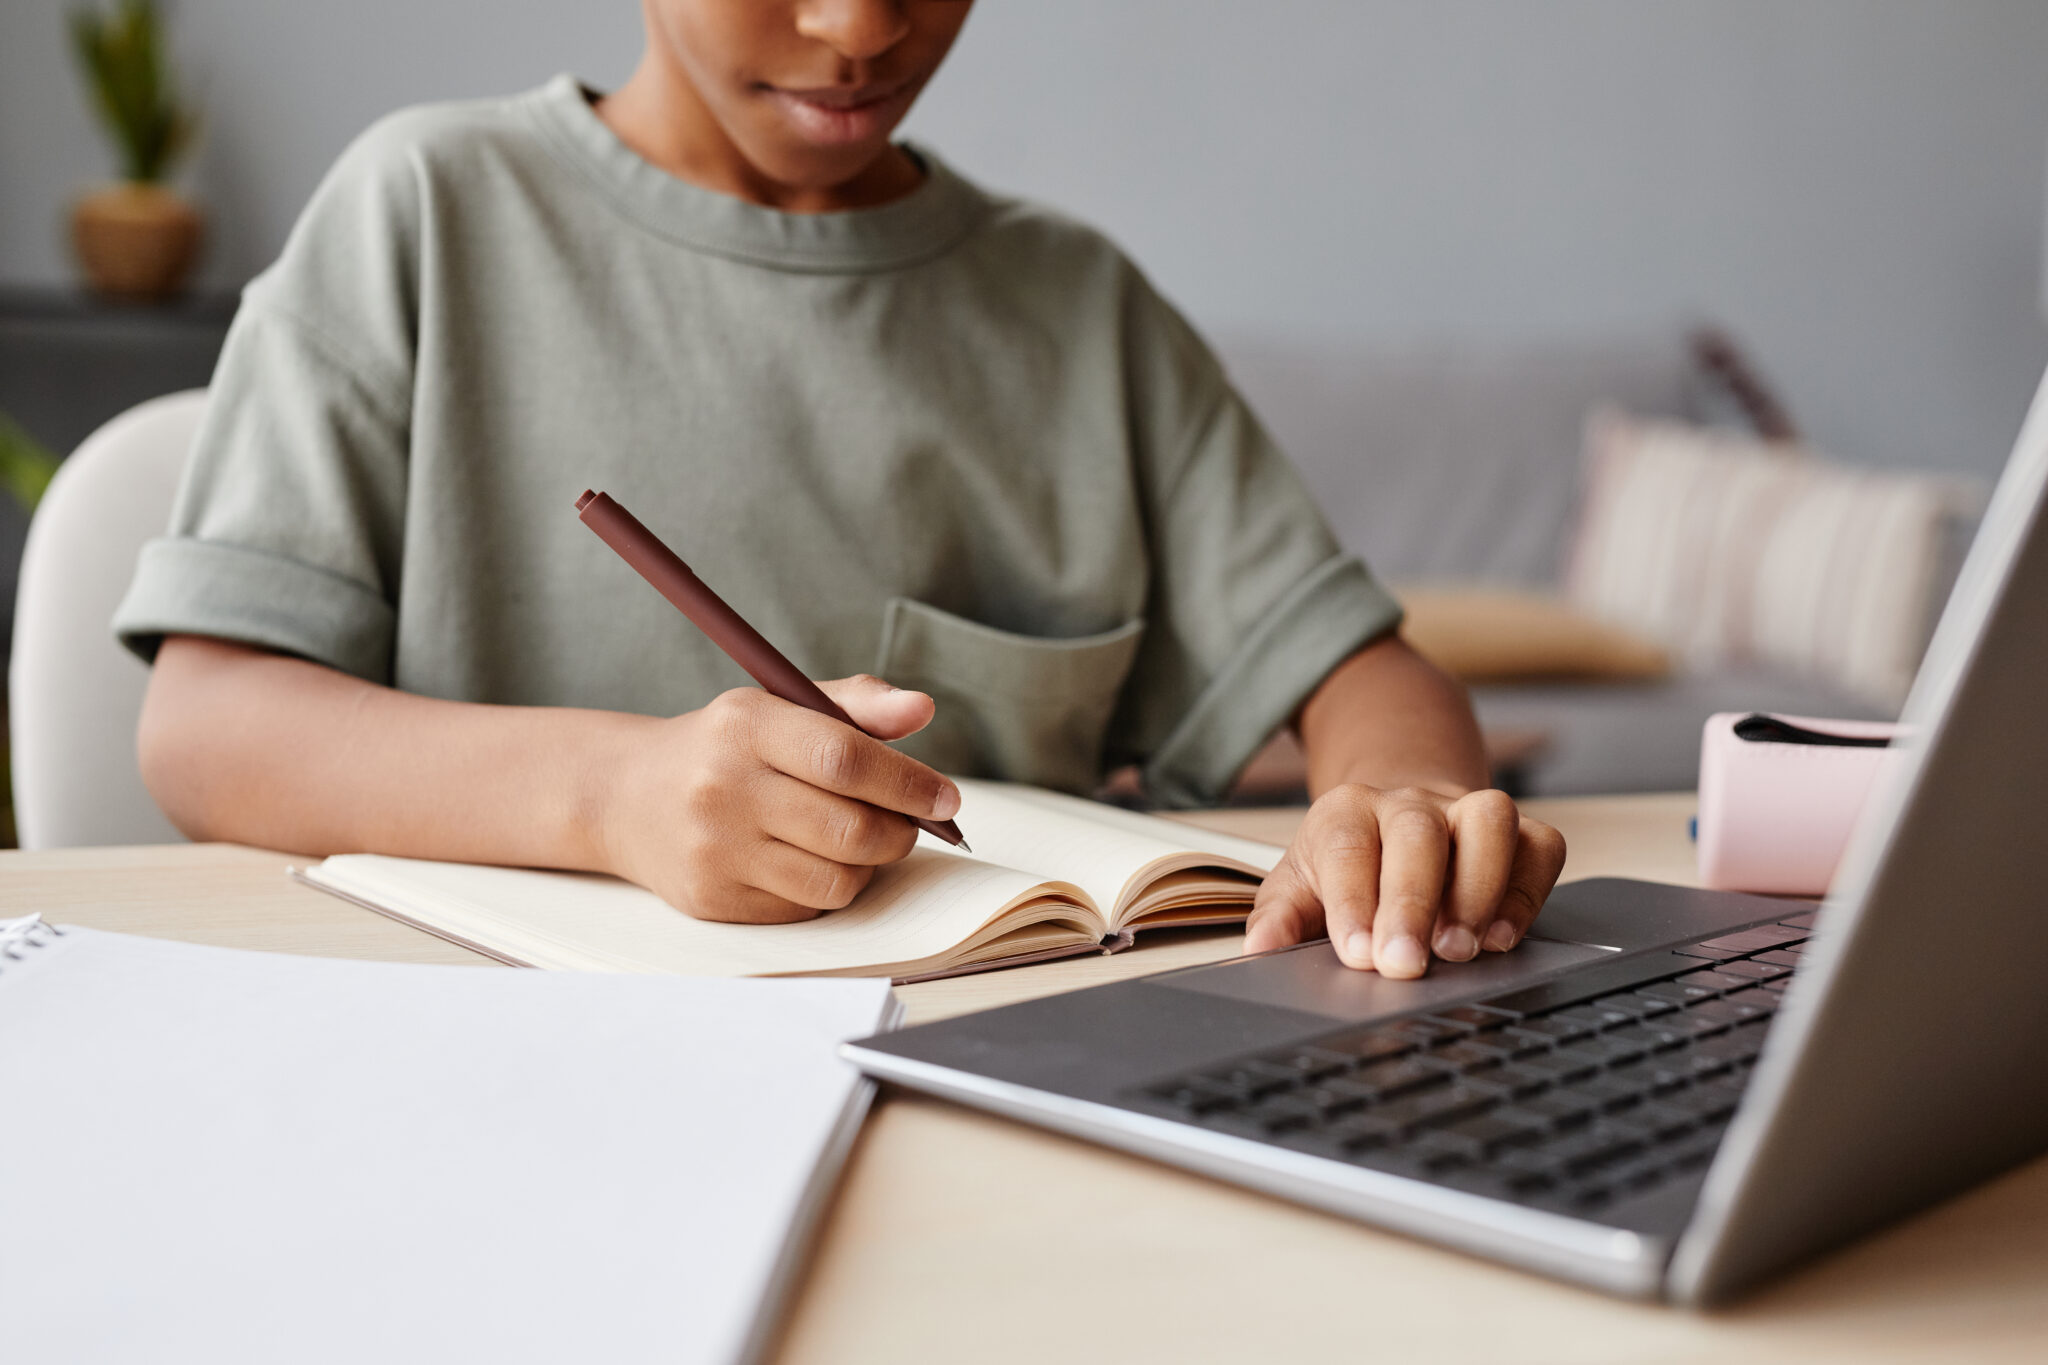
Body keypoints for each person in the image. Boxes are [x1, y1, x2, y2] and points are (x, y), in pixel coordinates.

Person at [117, 0, 1565, 980]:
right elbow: (205, 726)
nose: (861, 27)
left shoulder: (1077, 313)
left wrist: (1401, 799)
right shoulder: (425, 215)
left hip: (992, 1101)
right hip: (493, 1068)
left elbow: (1362, 669)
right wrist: (611, 797)